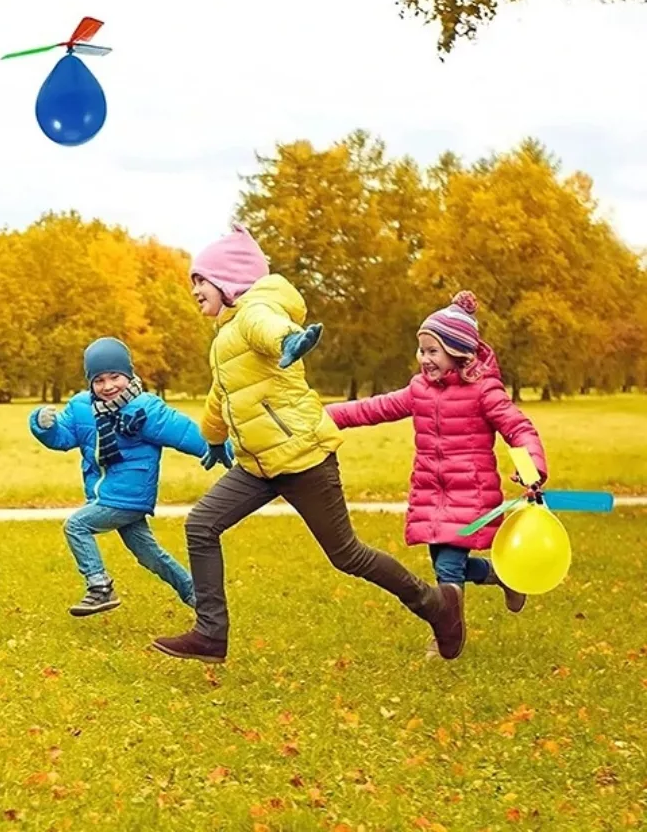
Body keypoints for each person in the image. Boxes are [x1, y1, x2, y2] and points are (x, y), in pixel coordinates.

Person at [151, 224, 463, 664]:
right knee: (201, 525)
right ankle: (210, 634)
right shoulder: (226, 336)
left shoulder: (255, 313)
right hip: (258, 466)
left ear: (229, 282)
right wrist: (214, 438)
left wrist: (289, 341)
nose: (194, 289)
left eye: (201, 280)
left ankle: (436, 605)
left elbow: (270, 328)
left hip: (303, 458)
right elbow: (222, 394)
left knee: (347, 555)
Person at [324, 291, 548, 656]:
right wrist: (326, 415)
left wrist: (531, 467)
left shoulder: (484, 391)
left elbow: (517, 428)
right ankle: (503, 575)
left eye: (433, 351)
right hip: (431, 493)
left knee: (448, 568)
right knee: (448, 564)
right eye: (422, 350)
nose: (424, 359)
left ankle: (446, 634)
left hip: (470, 494)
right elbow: (374, 408)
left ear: (458, 353)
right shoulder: (420, 390)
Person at [31, 337, 233, 617]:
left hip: (128, 496)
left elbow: (185, 432)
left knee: (76, 526)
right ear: (90, 383)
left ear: (129, 374)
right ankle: (200, 601)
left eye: (115, 377)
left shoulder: (146, 409)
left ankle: (100, 586)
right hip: (105, 495)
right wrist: (43, 426)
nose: (108, 386)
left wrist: (224, 447)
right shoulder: (81, 407)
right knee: (150, 555)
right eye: (99, 380)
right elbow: (63, 438)